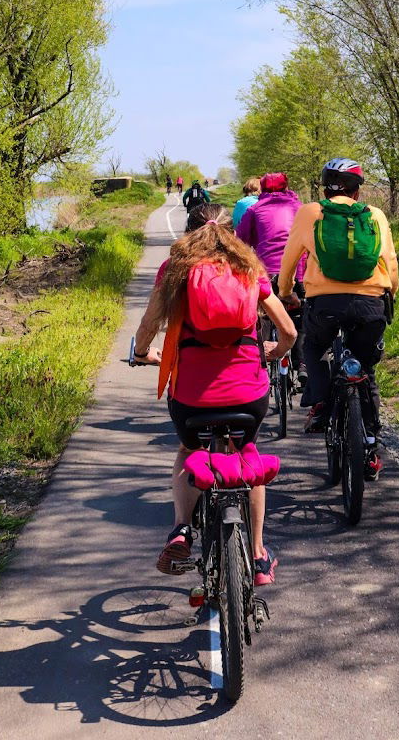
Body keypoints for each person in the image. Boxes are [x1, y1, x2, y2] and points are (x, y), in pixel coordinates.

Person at [133, 203, 296, 585]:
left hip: (192, 397)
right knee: (246, 456)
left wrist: (143, 354)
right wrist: (274, 352)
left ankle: (181, 530)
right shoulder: (250, 270)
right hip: (248, 394)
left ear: (189, 233)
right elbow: (287, 331)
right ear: (232, 233)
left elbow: (148, 324)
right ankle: (256, 555)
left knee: (188, 451)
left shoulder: (175, 271)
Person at [277, 158, 399, 478]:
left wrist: (286, 291)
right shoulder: (375, 215)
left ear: (325, 186)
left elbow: (290, 259)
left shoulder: (310, 212)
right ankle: (370, 447)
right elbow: (390, 261)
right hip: (371, 303)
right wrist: (391, 293)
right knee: (366, 370)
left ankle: (319, 404)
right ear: (358, 189)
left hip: (324, 303)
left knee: (314, 347)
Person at [236, 172, 306, 381]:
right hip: (297, 274)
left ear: (263, 189)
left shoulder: (255, 209)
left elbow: (240, 242)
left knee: (262, 316)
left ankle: (260, 363)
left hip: (266, 274)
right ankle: (302, 364)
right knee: (300, 318)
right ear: (287, 188)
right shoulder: (299, 208)